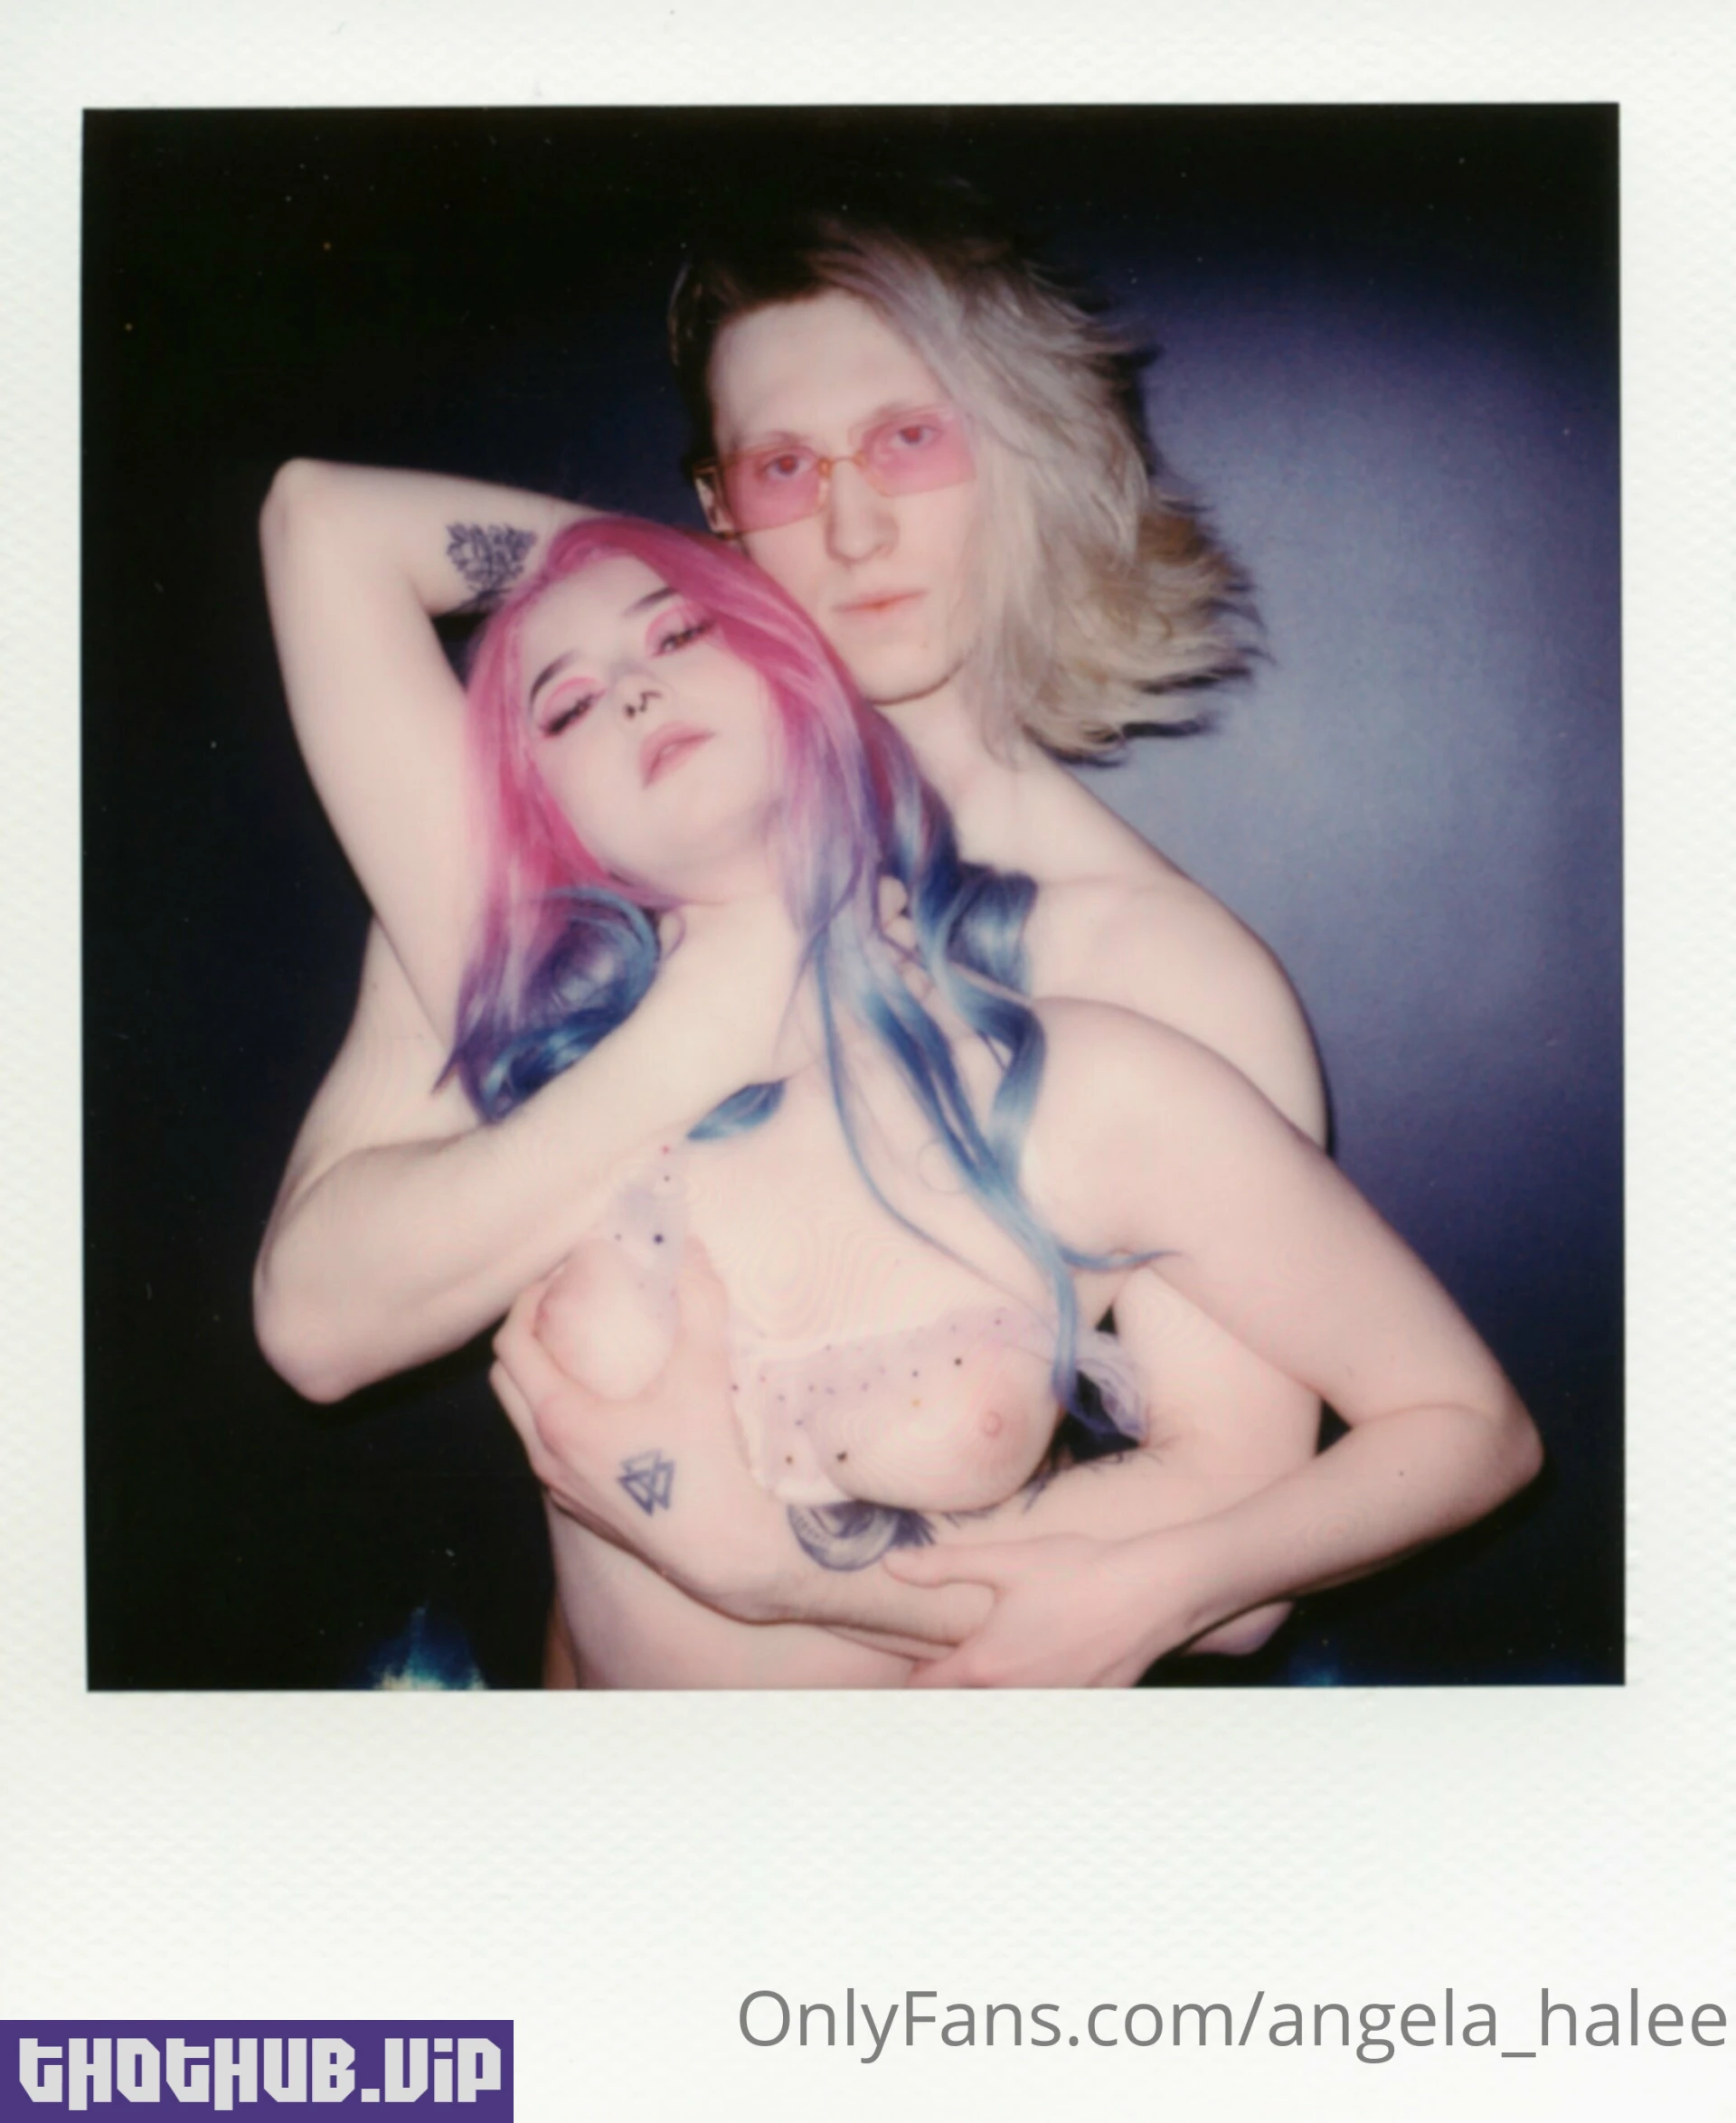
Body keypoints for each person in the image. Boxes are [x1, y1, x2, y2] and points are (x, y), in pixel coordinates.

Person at [250, 187, 1470, 1683]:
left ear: (1024, 449)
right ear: (721, 506)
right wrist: (676, 598)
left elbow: (1236, 1573)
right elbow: (324, 523)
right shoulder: (606, 862)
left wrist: (774, 1570)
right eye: (782, 469)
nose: (849, 526)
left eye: (910, 439)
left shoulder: (1156, 972)